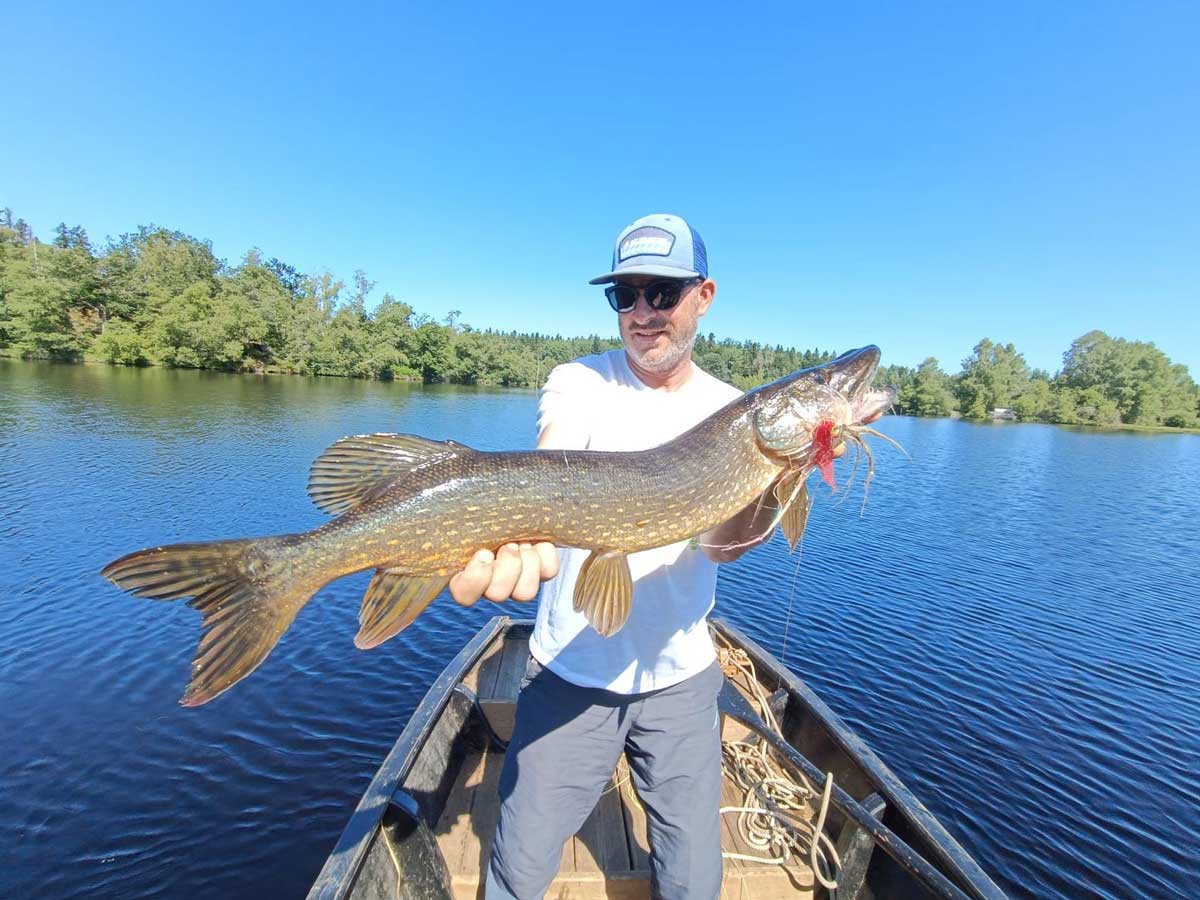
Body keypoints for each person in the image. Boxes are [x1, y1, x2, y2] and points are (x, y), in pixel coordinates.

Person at [448, 214, 798, 900]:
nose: (642, 313)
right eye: (625, 295)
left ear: (705, 295)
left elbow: (723, 545)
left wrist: (787, 473)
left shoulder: (732, 410)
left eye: (662, 293)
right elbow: (553, 454)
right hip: (572, 672)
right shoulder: (581, 380)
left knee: (693, 879)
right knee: (516, 870)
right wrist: (521, 522)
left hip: (682, 679)